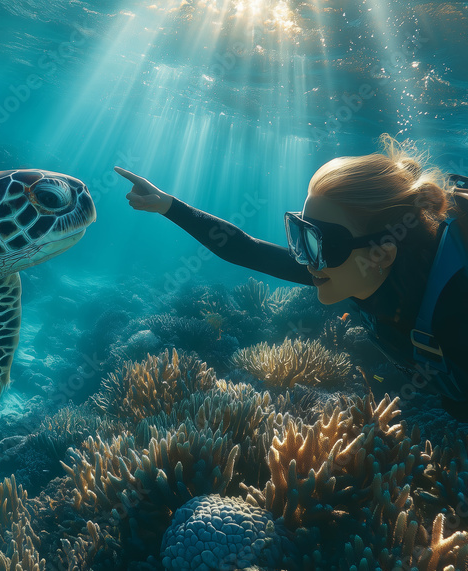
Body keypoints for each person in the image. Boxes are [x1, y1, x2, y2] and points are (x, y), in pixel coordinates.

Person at [115, 134, 468, 417]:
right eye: (301, 234)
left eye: (320, 243)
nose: (305, 259)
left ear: (383, 253)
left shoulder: (457, 305)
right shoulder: (349, 268)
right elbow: (246, 249)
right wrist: (167, 205)